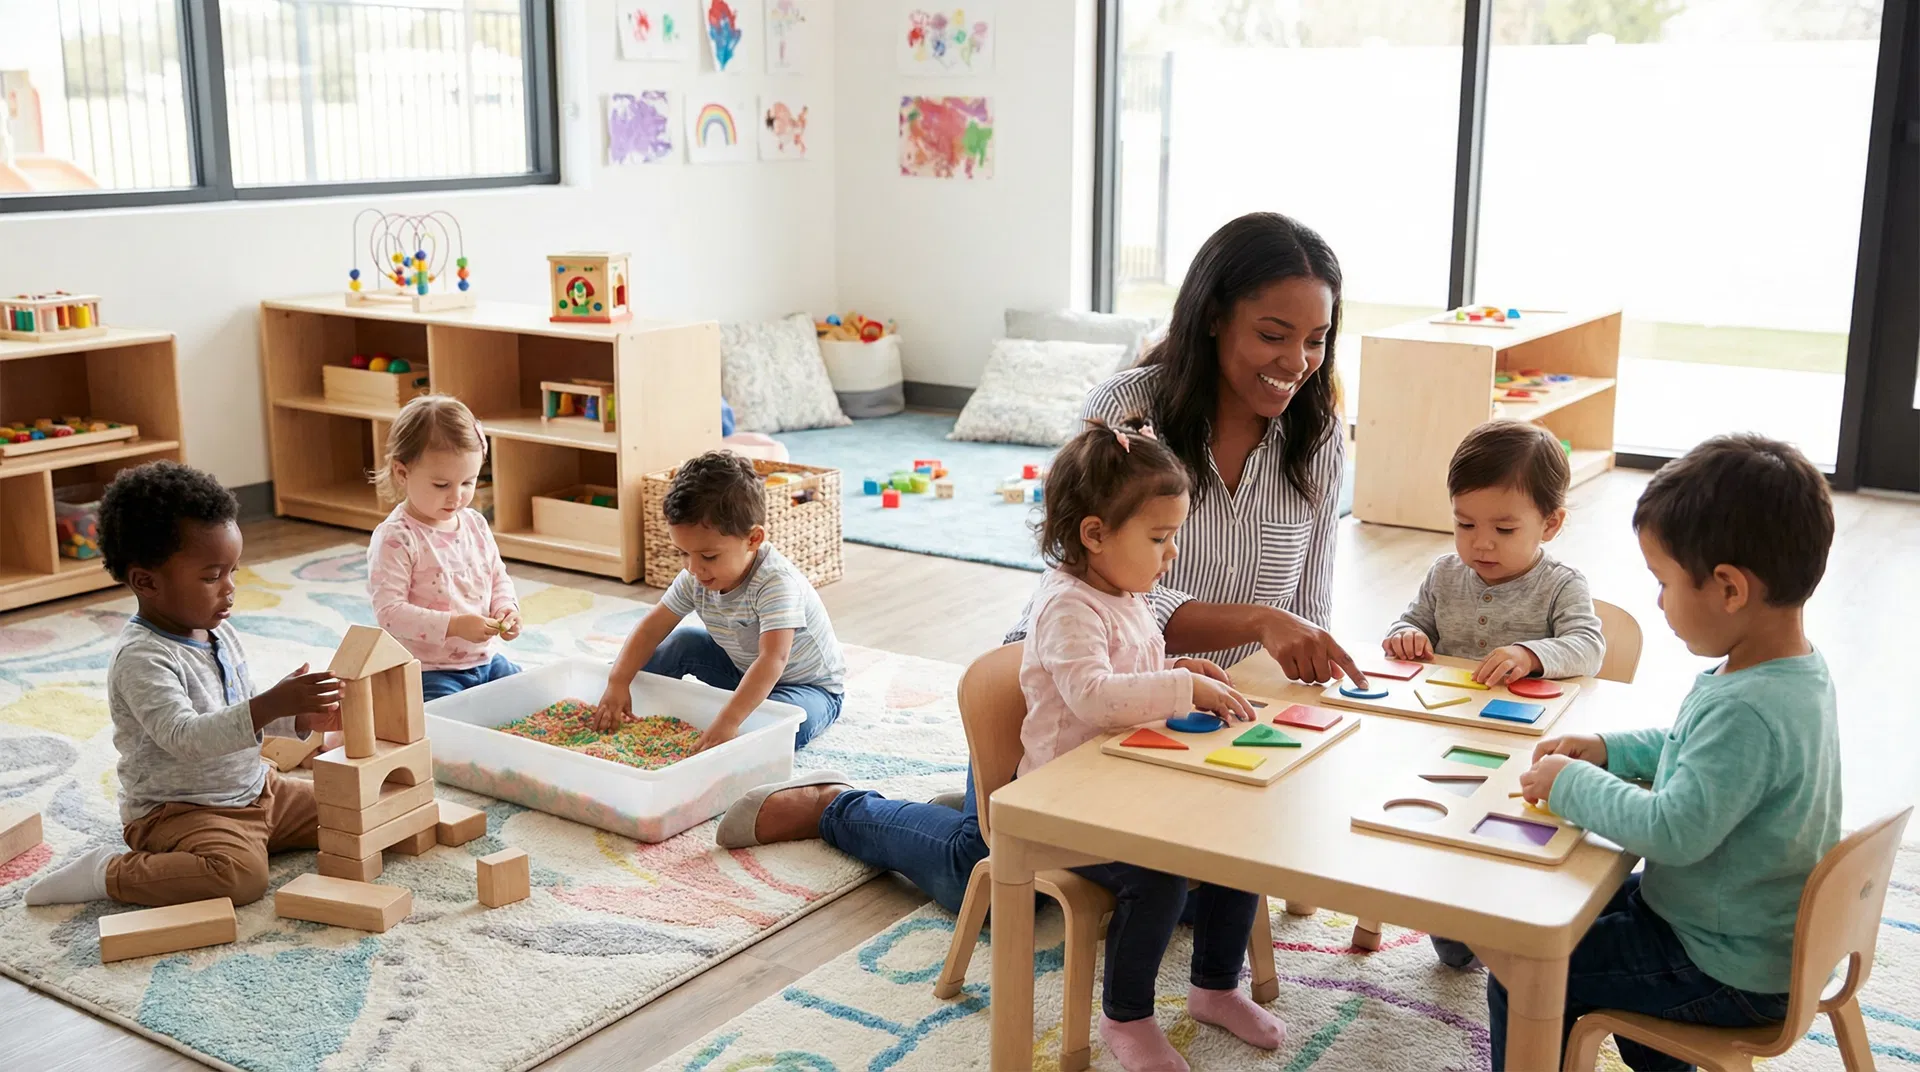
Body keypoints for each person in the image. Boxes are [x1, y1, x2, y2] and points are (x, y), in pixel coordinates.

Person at [710, 212, 1364, 917]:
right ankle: (837, 807)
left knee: (1195, 903)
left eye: (1317, 339)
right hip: (1076, 681)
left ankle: (980, 802)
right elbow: (1116, 601)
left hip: (1196, 713)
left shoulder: (1316, 434)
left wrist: (1291, 673)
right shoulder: (1128, 413)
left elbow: (1309, 604)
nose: (1297, 361)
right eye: (1273, 334)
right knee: (999, 887)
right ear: (1212, 318)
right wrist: (1261, 623)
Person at [1488, 434, 1840, 1070]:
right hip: (1742, 927)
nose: (1658, 601)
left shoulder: (1747, 708)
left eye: (1664, 582)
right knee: (1571, 904)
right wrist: (1608, 749)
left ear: (1730, 588)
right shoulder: (1787, 672)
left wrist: (1570, 782)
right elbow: (1692, 748)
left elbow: (1672, 831)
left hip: (1721, 961)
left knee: (1524, 967)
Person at [1019, 419, 1278, 1071]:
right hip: (1065, 806)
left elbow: (1143, 666)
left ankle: (1214, 987)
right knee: (1157, 874)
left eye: (1174, 537)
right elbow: (1096, 697)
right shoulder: (1066, 605)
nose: (1171, 555)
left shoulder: (1128, 591)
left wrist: (1193, 672)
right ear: (1095, 534)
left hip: (1127, 784)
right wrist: (1180, 684)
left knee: (1234, 840)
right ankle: (1126, 1017)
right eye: (1159, 538)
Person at [25, 462, 343, 907]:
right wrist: (270, 704)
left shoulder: (217, 628)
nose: (229, 588)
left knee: (351, 809)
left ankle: (255, 835)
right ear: (146, 581)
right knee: (240, 880)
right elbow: (187, 737)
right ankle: (108, 872)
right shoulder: (142, 658)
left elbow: (232, 712)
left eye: (233, 571)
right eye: (213, 576)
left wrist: (296, 716)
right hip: (180, 812)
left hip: (256, 790)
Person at [1384, 419, 1606, 969]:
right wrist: (1406, 636)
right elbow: (1410, 623)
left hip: (1523, 747)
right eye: (1464, 523)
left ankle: (1496, 922)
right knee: (1434, 829)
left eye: (1504, 530)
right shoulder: (1444, 574)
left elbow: (1588, 646)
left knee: (1506, 841)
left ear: (1550, 524)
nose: (1480, 543)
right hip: (1444, 738)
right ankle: (1451, 922)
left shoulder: (1561, 584)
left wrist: (1533, 654)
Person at [596, 451, 845, 752]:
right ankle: (612, 697)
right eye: (683, 553)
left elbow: (772, 660)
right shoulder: (695, 575)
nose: (693, 568)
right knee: (684, 641)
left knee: (782, 726)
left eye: (708, 556)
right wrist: (617, 680)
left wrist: (728, 720)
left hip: (807, 688)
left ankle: (736, 714)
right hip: (741, 671)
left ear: (753, 540)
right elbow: (652, 627)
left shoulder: (776, 583)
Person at [367, 395, 522, 701]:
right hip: (427, 671)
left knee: (530, 699)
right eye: (442, 485)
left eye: (468, 482)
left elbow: (496, 577)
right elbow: (389, 612)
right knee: (445, 723)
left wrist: (507, 608)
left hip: (487, 660)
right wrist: (454, 626)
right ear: (402, 473)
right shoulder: (396, 538)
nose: (457, 497)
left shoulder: (475, 524)